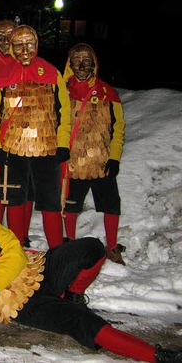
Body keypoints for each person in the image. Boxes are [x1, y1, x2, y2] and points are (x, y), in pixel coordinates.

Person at [0, 185, 182, 363]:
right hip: (20, 304)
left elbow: (16, 252)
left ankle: (73, 294)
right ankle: (156, 355)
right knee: (80, 321)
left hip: (37, 268)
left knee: (91, 248)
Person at [0, 25, 70, 248]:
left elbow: (63, 111)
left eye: (29, 44)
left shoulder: (51, 73)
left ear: (36, 45)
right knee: (14, 197)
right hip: (12, 147)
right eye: (19, 44)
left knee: (50, 201)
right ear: (12, 46)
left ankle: (56, 252)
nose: (24, 49)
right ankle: (16, 249)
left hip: (46, 147)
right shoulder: (1, 75)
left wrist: (62, 144)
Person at [62, 43, 126, 264]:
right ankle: (69, 242)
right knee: (70, 205)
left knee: (111, 204)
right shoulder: (61, 91)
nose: (81, 64)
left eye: (86, 59)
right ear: (69, 63)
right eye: (77, 59)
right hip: (72, 162)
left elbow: (118, 128)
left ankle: (112, 246)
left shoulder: (109, 93)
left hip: (101, 161)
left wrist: (115, 157)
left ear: (94, 63)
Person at [0, 19, 35, 247]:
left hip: (29, 133)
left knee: (24, 186)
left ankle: (20, 235)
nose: (5, 42)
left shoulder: (28, 63)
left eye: (9, 37)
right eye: (0, 38)